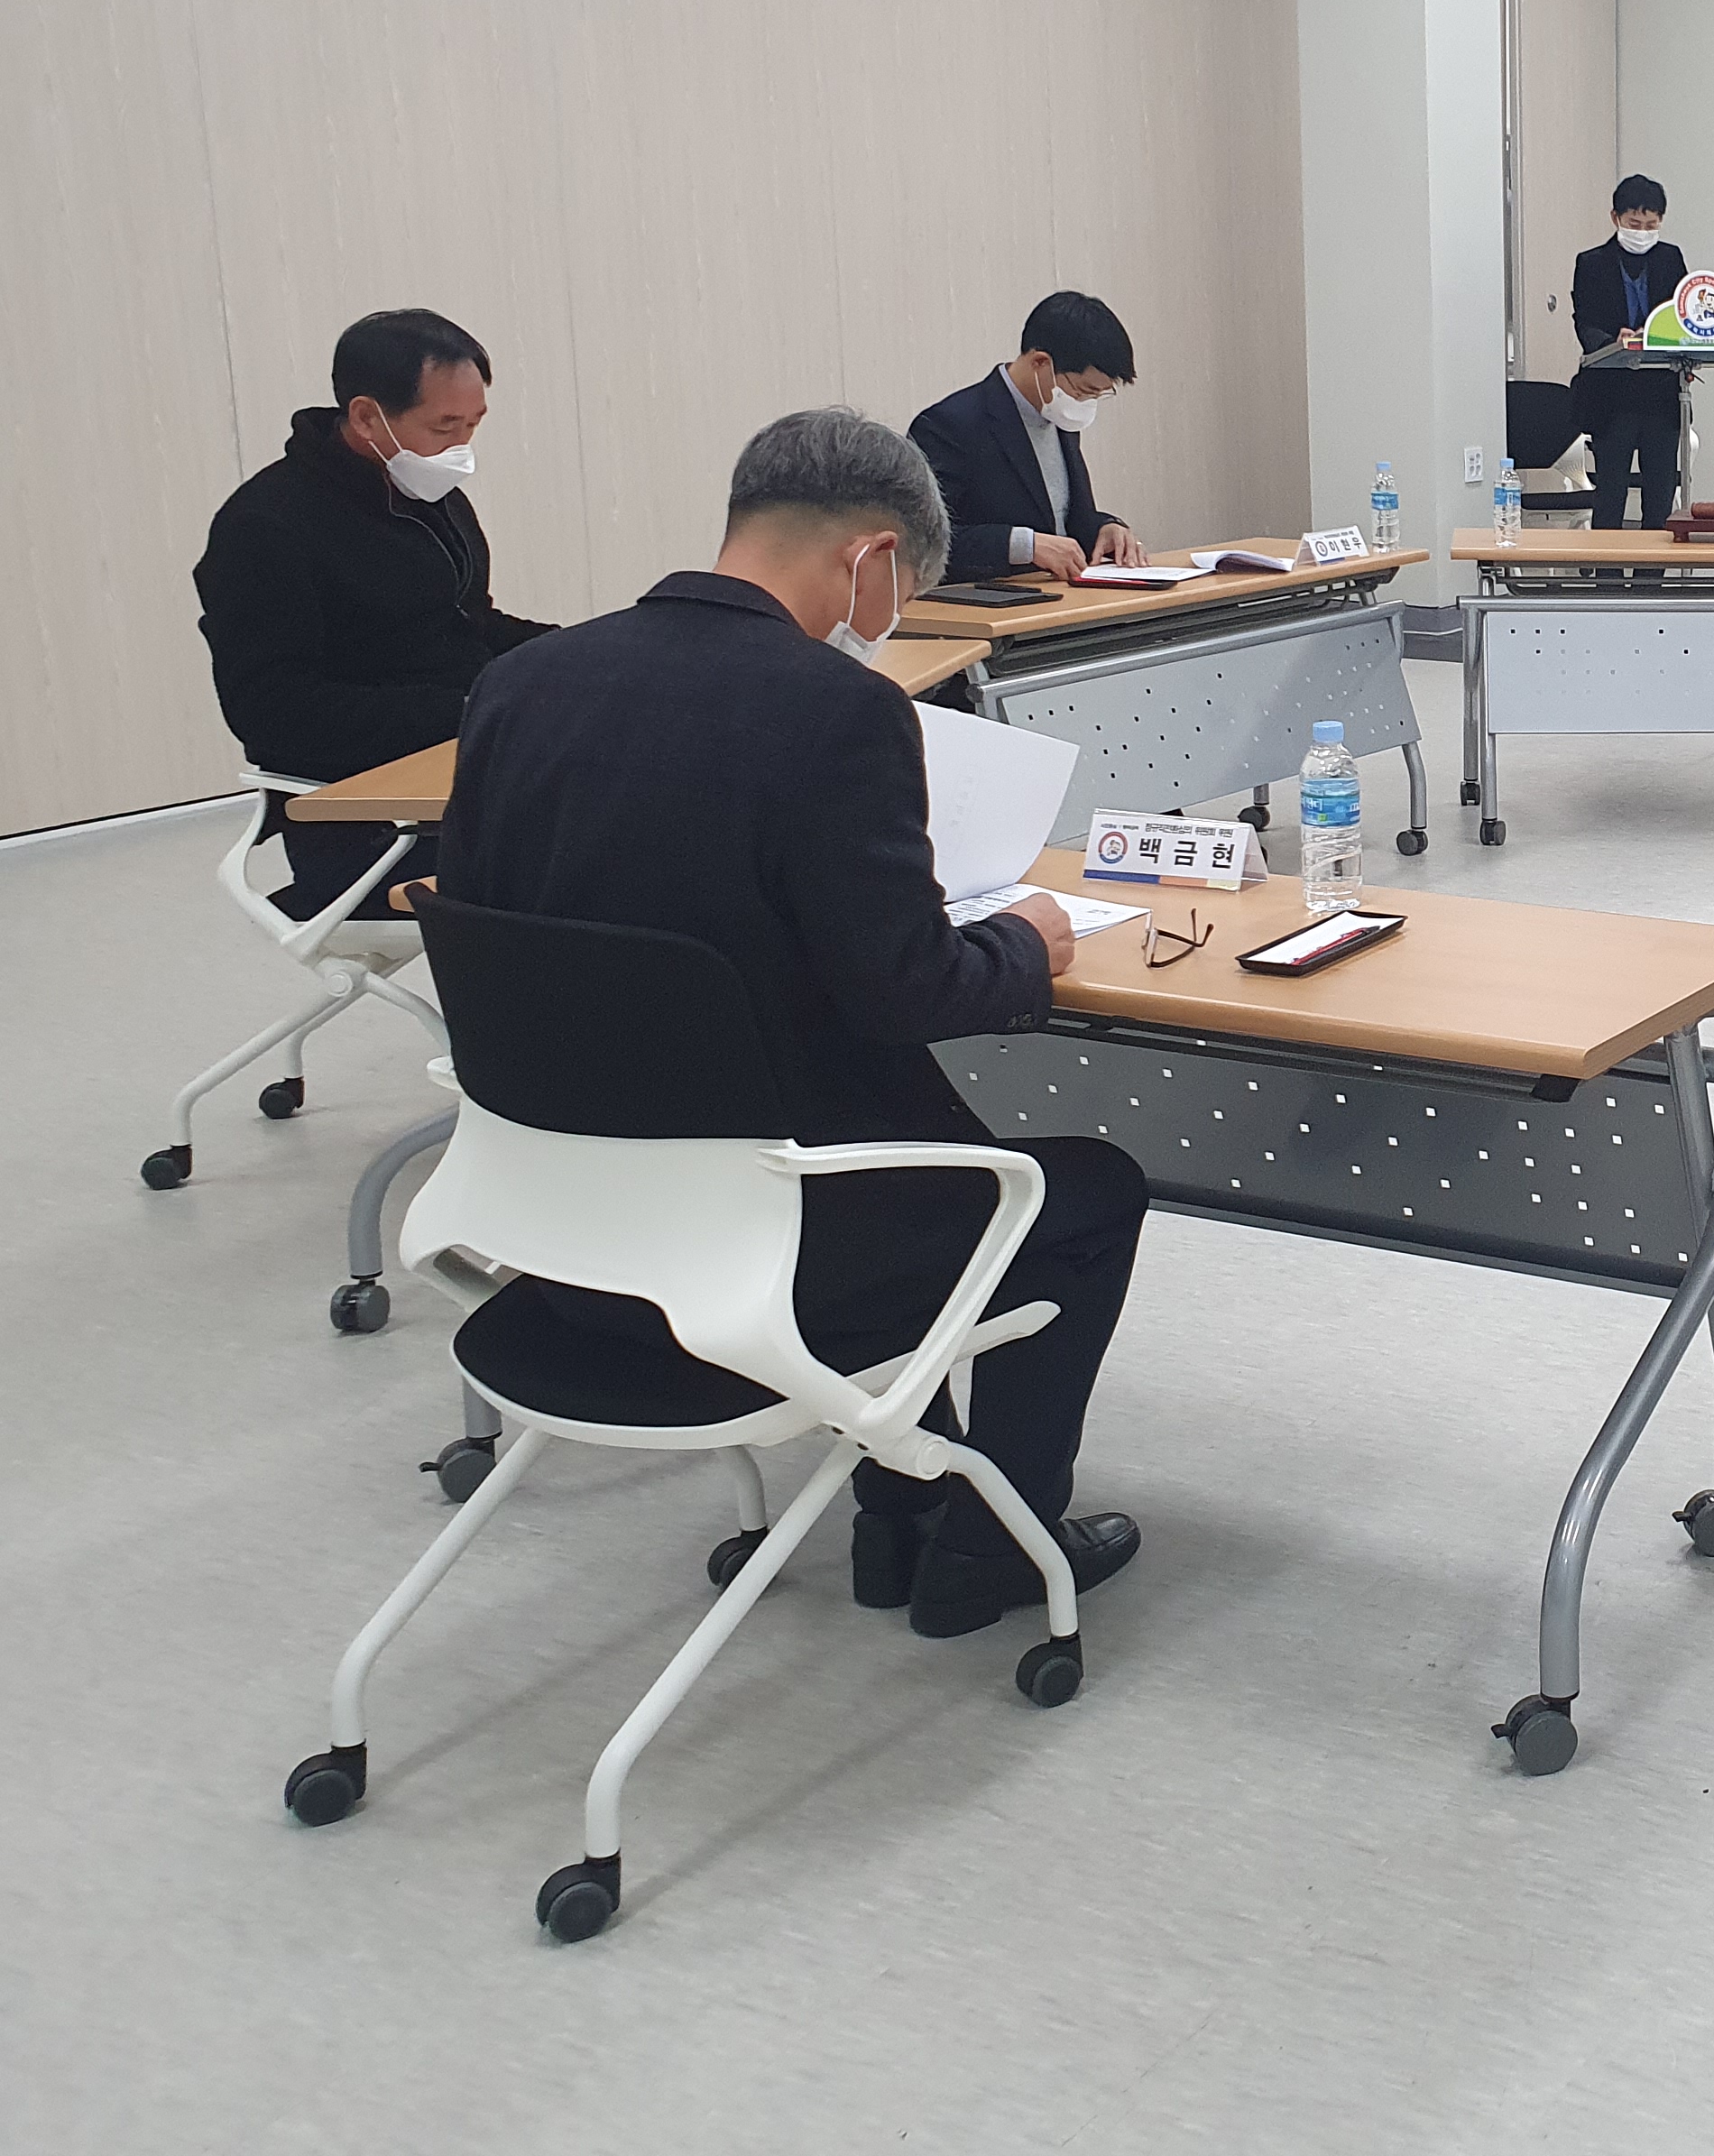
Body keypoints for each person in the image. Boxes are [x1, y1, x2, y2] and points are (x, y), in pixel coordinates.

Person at [438, 409, 1147, 1641]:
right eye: (901, 593)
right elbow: (905, 992)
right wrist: (1023, 945)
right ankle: (992, 1549)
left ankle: (899, 1510)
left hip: (561, 1239)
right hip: (760, 1254)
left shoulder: (519, 687)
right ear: (872, 558)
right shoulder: (836, 710)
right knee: (1083, 1193)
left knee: (872, 1140)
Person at [195, 309, 555, 917]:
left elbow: (467, 623)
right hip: (367, 821)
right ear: (366, 417)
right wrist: (468, 709)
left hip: (460, 774)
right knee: (590, 866)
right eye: (444, 426)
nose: (462, 447)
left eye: (473, 424)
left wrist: (574, 654)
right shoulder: (264, 527)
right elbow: (272, 710)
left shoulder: (424, 493)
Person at [910, 291, 1147, 582]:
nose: (1085, 403)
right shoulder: (948, 425)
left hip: (1063, 594)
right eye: (1083, 390)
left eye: (1098, 394)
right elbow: (921, 540)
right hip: (987, 599)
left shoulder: (1059, 416)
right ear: (1040, 362)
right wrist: (1025, 546)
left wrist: (1104, 528)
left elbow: (1062, 521)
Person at [1570, 173, 1691, 530]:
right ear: (1616, 218)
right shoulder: (1591, 263)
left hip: (1661, 394)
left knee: (1661, 493)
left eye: (1651, 225)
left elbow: (1684, 316)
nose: (1643, 232)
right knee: (1611, 492)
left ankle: (1656, 566)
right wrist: (1612, 340)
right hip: (1611, 396)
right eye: (1634, 224)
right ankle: (1607, 565)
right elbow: (1584, 323)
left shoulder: (1671, 258)